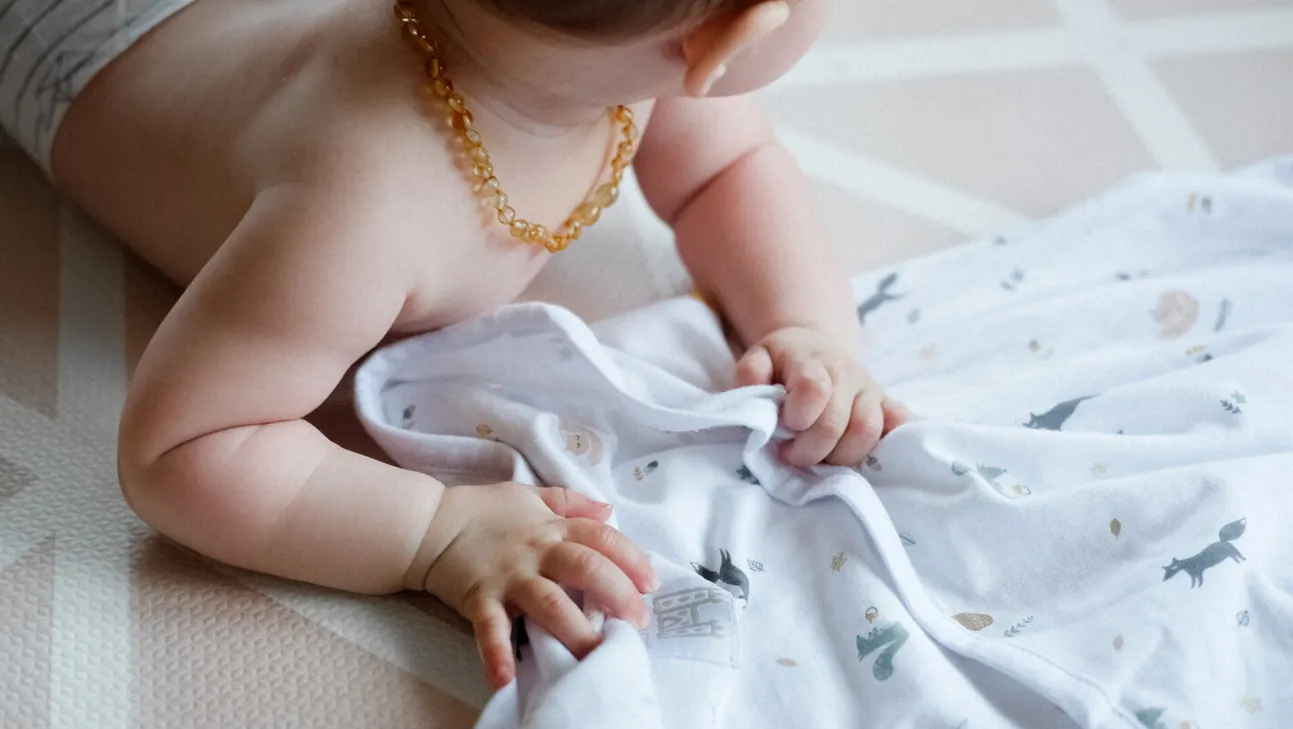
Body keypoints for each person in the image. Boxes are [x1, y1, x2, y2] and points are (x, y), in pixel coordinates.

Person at [0, 0, 909, 688]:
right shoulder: (363, 212)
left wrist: (806, 325)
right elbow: (181, 447)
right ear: (736, 35)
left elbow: (727, 169)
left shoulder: (621, 69)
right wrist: (432, 531)